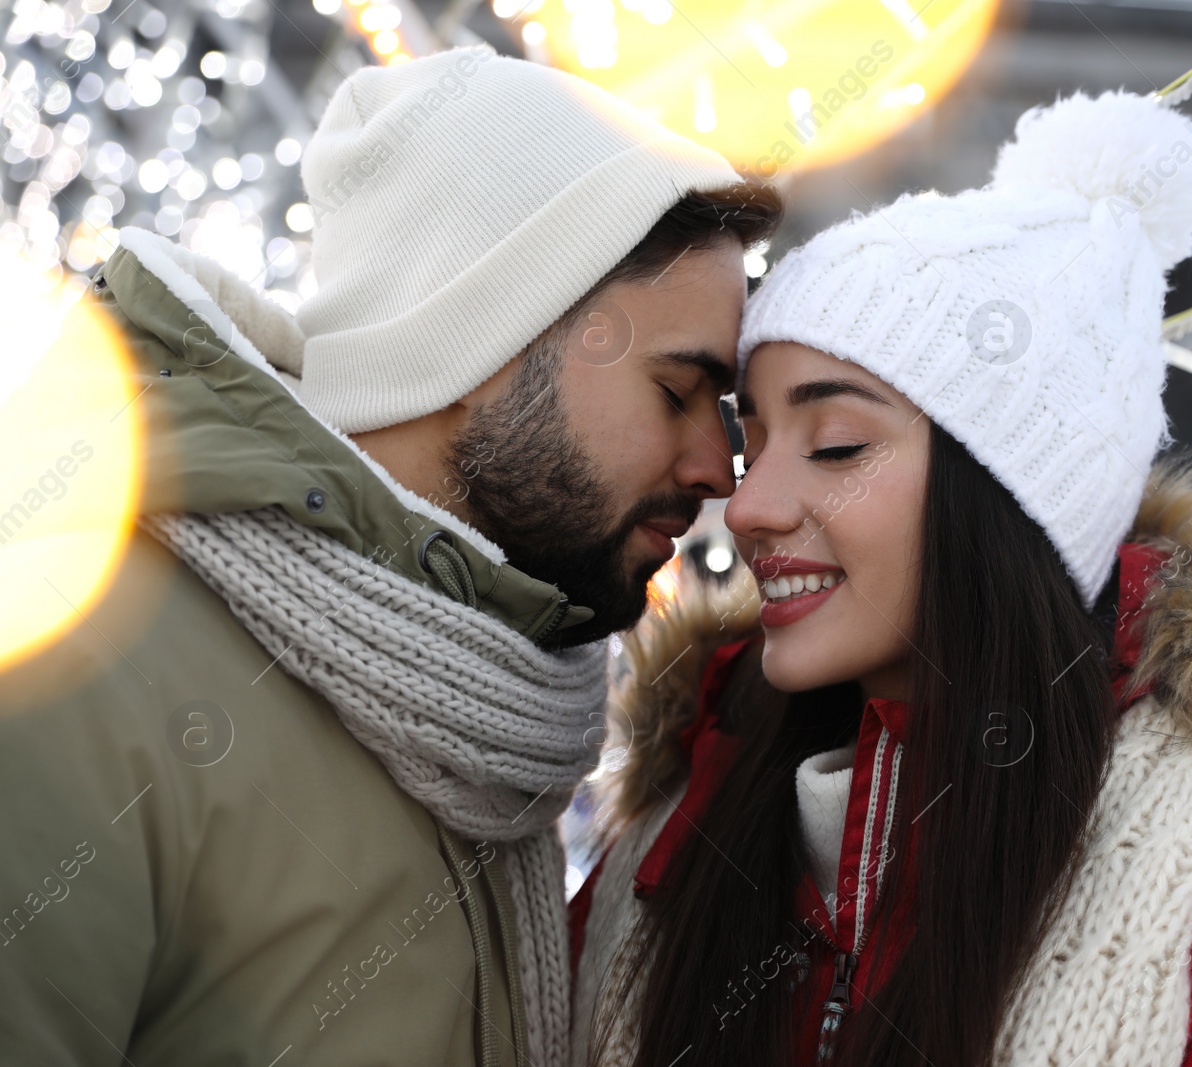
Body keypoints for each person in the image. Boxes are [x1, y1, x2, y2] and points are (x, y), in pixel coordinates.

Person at [570, 91, 1192, 1066]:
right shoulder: (666, 851)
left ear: (1013, 500)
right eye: (752, 438)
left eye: (838, 442)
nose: (753, 503)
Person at [0, 47, 779, 1067]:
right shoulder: (74, 672)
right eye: (677, 392)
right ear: (477, 341)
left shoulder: (491, 715)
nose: (721, 470)